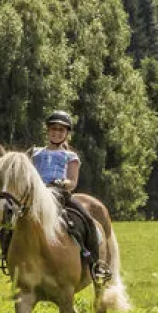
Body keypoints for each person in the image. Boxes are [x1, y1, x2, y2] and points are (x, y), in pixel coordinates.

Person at [17, 110, 110, 283]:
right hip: (37, 198)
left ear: (66, 133)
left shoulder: (70, 156)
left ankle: (95, 264)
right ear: (48, 131)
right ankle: (9, 259)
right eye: (53, 129)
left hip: (60, 196)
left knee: (88, 222)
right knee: (11, 223)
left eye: (61, 130)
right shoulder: (35, 153)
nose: (56, 133)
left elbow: (73, 182)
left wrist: (62, 183)